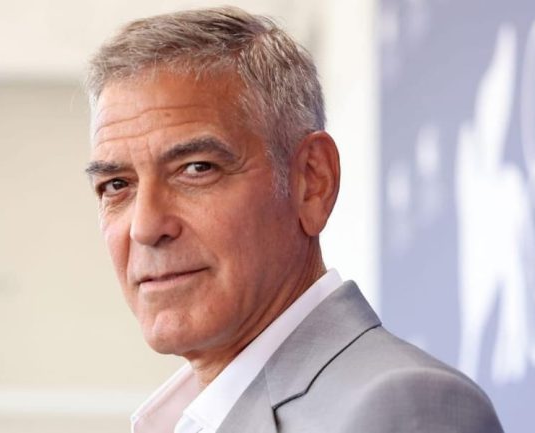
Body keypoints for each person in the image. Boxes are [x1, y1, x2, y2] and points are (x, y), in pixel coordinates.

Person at [84, 6, 503, 433]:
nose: (145, 227)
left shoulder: (404, 407)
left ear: (312, 181)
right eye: (116, 185)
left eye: (197, 168)